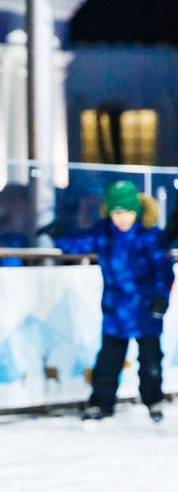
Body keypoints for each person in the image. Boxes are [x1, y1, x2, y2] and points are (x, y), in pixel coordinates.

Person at [53, 180, 174, 423]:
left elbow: (163, 270)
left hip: (146, 309)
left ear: (136, 212)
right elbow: (79, 242)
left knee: (150, 360)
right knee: (109, 361)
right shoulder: (104, 233)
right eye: (117, 212)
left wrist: (161, 298)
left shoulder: (149, 237)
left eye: (127, 212)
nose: (122, 218)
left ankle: (153, 400)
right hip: (116, 310)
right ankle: (101, 404)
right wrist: (59, 233)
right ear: (110, 212)